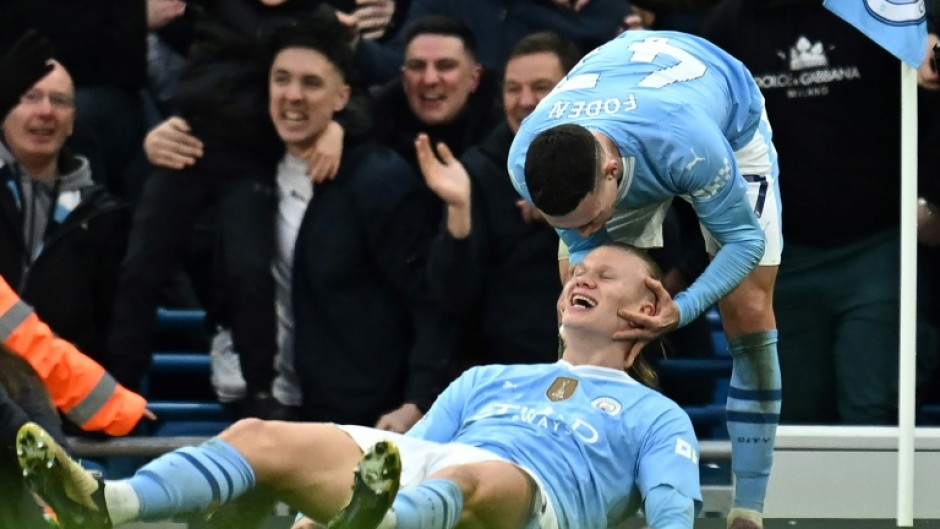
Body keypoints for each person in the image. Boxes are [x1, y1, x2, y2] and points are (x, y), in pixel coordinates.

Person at [17, 243, 702, 529]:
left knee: (478, 475)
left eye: (604, 274)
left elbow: (674, 518)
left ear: (648, 305)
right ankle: (110, 502)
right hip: (432, 491)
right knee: (258, 434)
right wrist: (327, 508)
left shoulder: (657, 415)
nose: (581, 277)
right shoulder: (488, 378)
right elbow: (401, 460)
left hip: (529, 503)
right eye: (577, 271)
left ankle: (376, 523)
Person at [507, 29, 780, 529]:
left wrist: (682, 308)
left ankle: (749, 508)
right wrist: (588, 278)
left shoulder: (691, 146)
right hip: (634, 109)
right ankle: (573, 483)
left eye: (591, 221)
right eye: (567, 225)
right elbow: (581, 244)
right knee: (580, 310)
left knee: (748, 308)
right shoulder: (524, 158)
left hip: (717, 111)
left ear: (612, 172)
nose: (585, 234)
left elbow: (744, 243)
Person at [700, 0, 940, 426]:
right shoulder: (729, 24)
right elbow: (704, 132)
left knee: (874, 406)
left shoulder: (881, 9)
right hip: (781, 255)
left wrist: (931, 197)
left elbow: (929, 101)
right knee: (794, 413)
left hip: (880, 244)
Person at [416, 31, 580, 367]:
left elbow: (663, 253)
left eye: (541, 87)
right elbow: (452, 296)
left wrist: (575, 211)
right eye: (513, 89)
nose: (525, 101)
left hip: (604, 367)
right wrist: (459, 212)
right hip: (507, 373)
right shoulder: (476, 171)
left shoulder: (615, 159)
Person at [1, 59, 131, 367]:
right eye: (30, 97)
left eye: (59, 101)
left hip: (62, 386)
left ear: (72, 121)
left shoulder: (103, 215)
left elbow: (110, 335)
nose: (45, 111)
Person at [372, 15, 502, 169]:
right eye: (417, 66)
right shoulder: (373, 121)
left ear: (474, 78)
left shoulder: (508, 135)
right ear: (404, 79)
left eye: (445, 66)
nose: (429, 79)